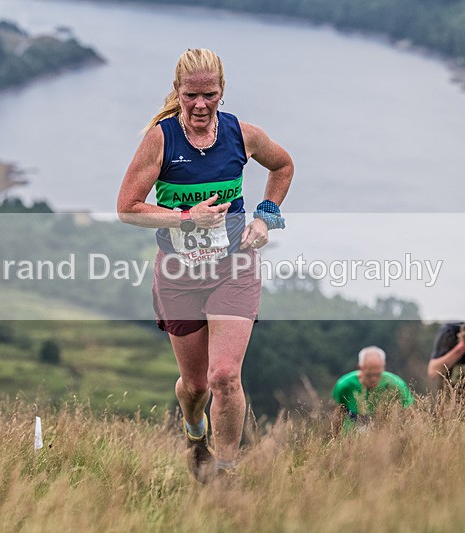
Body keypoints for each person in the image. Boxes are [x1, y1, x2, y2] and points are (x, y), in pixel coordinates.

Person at [117, 49, 293, 482]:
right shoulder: (161, 140)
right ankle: (195, 433)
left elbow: (283, 165)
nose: (200, 105)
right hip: (179, 276)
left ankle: (225, 474)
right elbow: (127, 207)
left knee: (225, 376)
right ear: (177, 91)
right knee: (195, 386)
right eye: (191, 95)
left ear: (222, 90)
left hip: (235, 266)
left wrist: (265, 216)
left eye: (209, 95)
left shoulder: (242, 135)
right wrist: (186, 217)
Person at [331, 346, 414, 428]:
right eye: (369, 375)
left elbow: (410, 415)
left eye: (377, 374)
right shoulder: (344, 385)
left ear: (383, 368)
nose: (373, 379)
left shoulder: (395, 385)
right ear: (360, 368)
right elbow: (335, 416)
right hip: (351, 434)